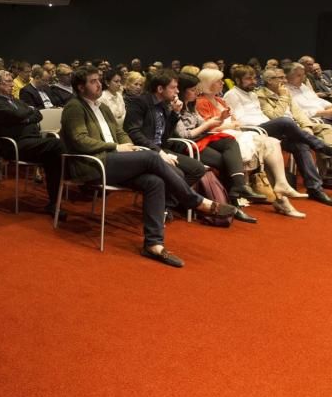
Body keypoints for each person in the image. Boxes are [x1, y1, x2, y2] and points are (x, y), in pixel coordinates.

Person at [60, 67, 236, 267]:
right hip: (93, 163)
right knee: (152, 157)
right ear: (81, 87)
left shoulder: (102, 107)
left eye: (99, 80)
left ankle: (153, 244)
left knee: (155, 182)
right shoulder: (74, 107)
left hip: (115, 160)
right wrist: (117, 147)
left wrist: (130, 147)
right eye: (93, 81)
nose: (99, 84)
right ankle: (194, 201)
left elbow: (121, 133)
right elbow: (79, 140)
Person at [178, 73, 301, 220]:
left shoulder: (198, 103)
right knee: (230, 158)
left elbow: (206, 124)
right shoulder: (187, 104)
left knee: (259, 142)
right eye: (192, 89)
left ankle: (247, 190)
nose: (196, 92)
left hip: (219, 136)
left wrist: (219, 120)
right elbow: (185, 134)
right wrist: (215, 124)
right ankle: (236, 200)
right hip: (192, 142)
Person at [223, 67, 332, 207]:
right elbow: (240, 119)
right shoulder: (232, 95)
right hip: (253, 130)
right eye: (248, 79)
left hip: (266, 127)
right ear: (237, 80)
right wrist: (269, 119)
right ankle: (320, 146)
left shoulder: (252, 94)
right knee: (285, 121)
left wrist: (306, 126)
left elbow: (294, 113)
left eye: (254, 78)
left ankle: (315, 188)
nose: (253, 81)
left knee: (301, 144)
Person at [0, 70, 66, 216]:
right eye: (8, 81)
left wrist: (25, 118)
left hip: (32, 142)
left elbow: (38, 114)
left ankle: (54, 203)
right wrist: (27, 114)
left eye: (11, 81)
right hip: (14, 145)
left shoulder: (15, 101)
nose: (12, 85)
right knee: (57, 146)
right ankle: (77, 179)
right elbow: (19, 114)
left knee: (53, 155)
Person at [123, 71, 206, 187]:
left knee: (198, 169)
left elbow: (166, 135)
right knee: (179, 174)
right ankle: (173, 201)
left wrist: (175, 113)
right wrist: (159, 152)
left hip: (161, 149)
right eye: (173, 88)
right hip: (146, 152)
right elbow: (133, 132)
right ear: (160, 89)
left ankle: (171, 202)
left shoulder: (164, 105)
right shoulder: (139, 103)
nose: (177, 91)